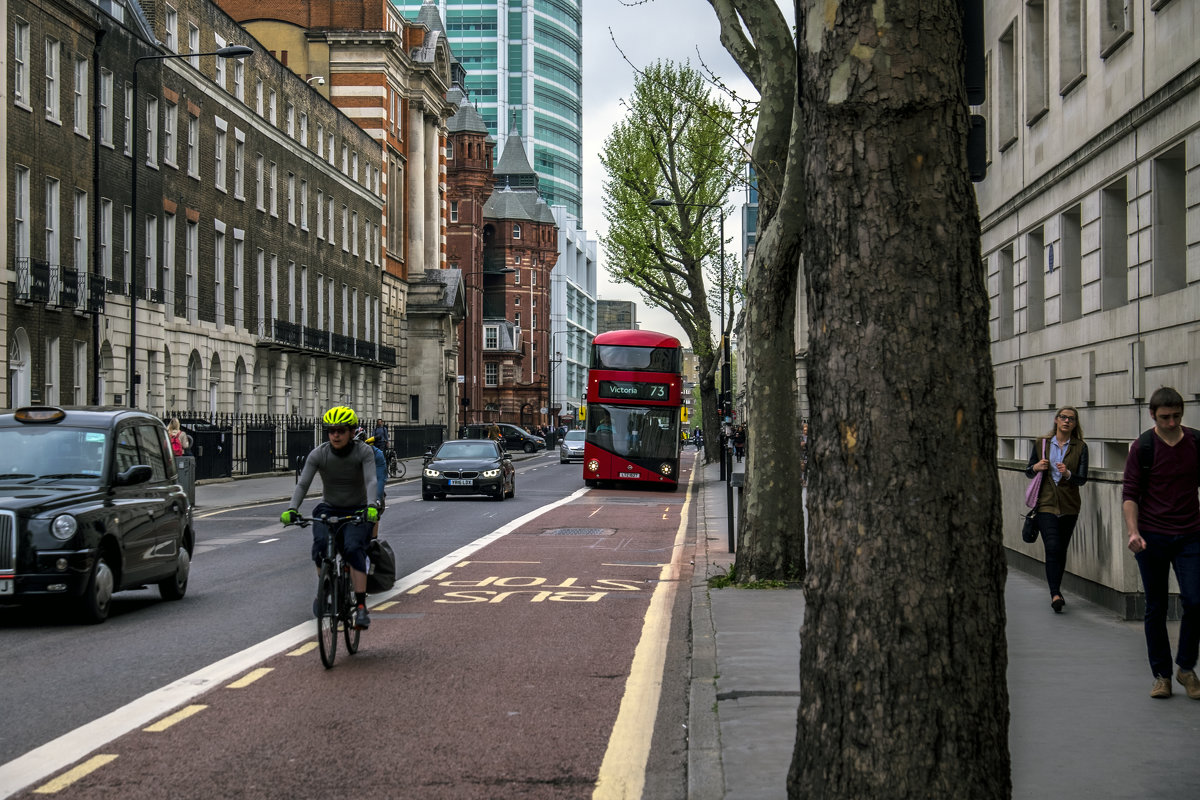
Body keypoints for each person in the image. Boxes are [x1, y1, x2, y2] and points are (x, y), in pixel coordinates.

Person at [1122, 386, 1200, 700]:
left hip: (1191, 534)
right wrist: (1133, 531)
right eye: (1165, 417)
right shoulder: (1143, 447)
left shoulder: (1195, 442)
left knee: (1195, 601)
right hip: (1151, 536)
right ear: (1153, 415)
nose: (1172, 423)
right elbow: (1129, 495)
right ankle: (1162, 675)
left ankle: (1185, 667)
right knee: (1156, 605)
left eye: (1177, 416)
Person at [282, 406, 380, 630]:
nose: (335, 435)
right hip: (329, 508)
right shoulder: (319, 454)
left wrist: (372, 506)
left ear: (352, 432)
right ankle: (326, 586)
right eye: (331, 431)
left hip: (358, 510)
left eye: (341, 431)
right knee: (319, 548)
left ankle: (362, 607)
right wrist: (292, 508)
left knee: (354, 548)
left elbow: (371, 481)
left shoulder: (363, 452)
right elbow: (303, 483)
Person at [1024, 407, 1089, 614]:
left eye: (1071, 419)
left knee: (1061, 550)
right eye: (1063, 417)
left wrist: (1068, 473)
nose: (1067, 421)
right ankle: (1055, 594)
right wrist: (1036, 468)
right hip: (1046, 504)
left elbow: (1082, 479)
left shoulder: (1081, 447)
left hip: (1070, 506)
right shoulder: (1041, 443)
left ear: (1075, 423)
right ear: (1056, 420)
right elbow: (1028, 471)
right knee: (1052, 547)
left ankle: (1056, 590)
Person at [356, 427, 387, 538]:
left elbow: (380, 478)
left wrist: (377, 500)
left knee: (374, 512)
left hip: (371, 488)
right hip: (352, 492)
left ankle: (373, 541)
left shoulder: (376, 454)